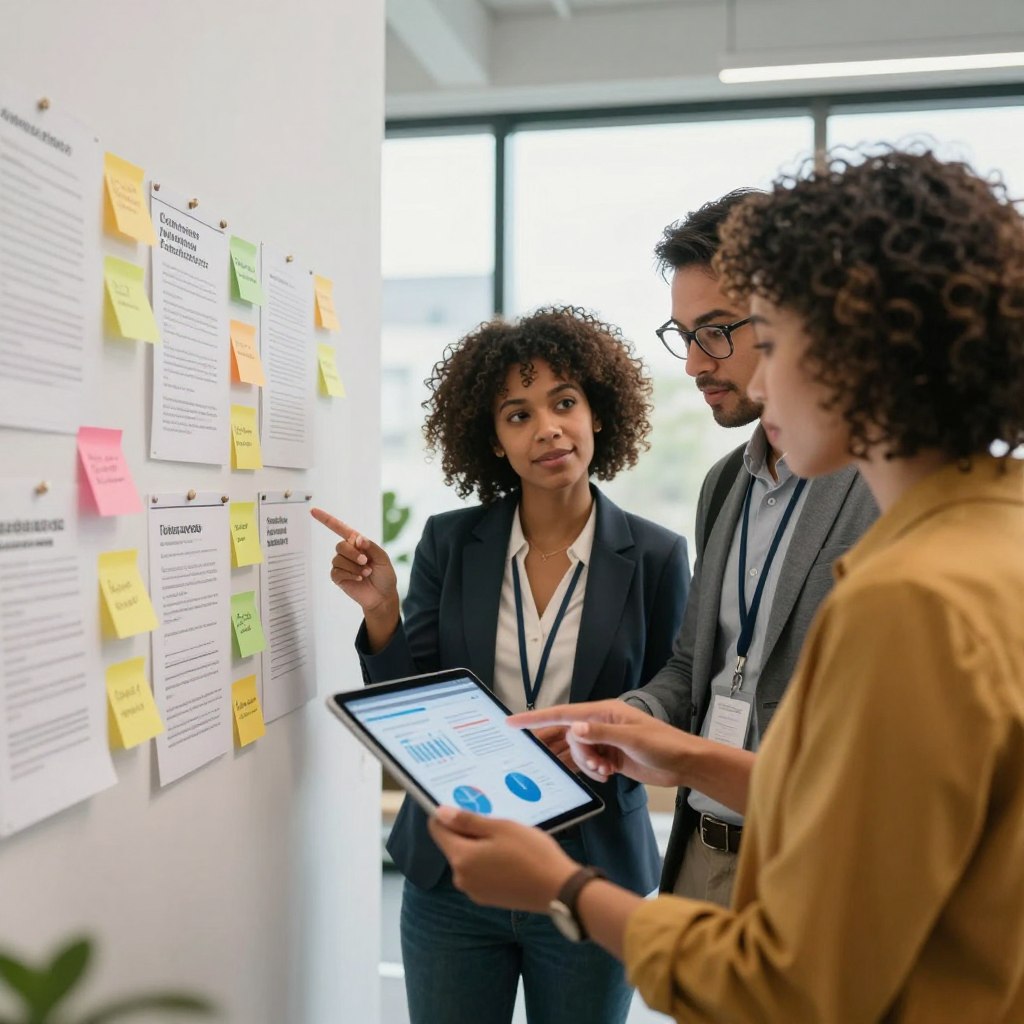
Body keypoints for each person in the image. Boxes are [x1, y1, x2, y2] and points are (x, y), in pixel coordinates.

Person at [427, 149, 1024, 1022]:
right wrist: (683, 752)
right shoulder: (995, 531)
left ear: (860, 348)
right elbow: (899, 808)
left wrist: (566, 889)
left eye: (767, 340)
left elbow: (794, 983)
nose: (745, 372)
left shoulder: (910, 598)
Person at [312, 306, 690, 1024]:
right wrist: (381, 611)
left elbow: (675, 704)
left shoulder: (658, 555)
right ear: (493, 440)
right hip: (453, 871)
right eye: (518, 414)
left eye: (565, 402)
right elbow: (405, 705)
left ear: (598, 416)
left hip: (589, 869)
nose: (546, 427)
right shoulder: (451, 543)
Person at [627, 189, 876, 905]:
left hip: (819, 865)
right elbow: (697, 663)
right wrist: (639, 717)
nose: (694, 364)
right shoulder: (722, 486)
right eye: (683, 335)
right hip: (705, 850)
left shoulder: (883, 485)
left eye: (717, 331)